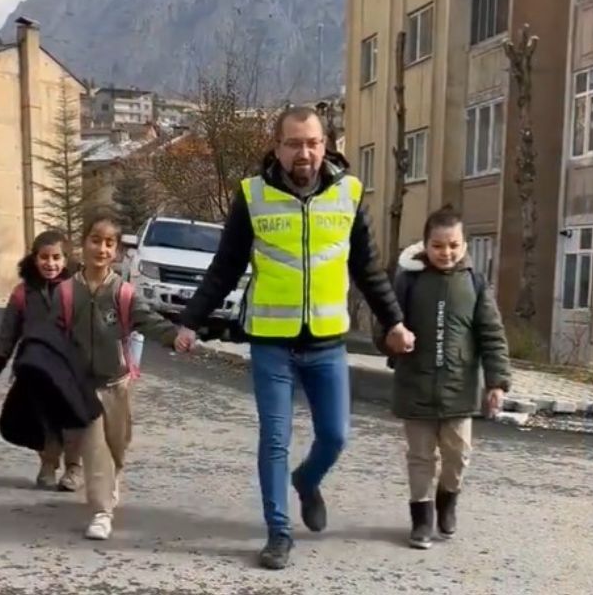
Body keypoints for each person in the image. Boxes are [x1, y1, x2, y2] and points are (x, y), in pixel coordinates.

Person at [174, 107, 415, 569]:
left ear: (325, 144)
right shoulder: (252, 196)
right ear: (277, 146)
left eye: (312, 142)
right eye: (293, 143)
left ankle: (306, 481)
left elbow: (366, 268)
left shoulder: (349, 194)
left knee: (336, 436)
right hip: (272, 343)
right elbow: (224, 268)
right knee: (275, 439)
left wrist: (395, 322)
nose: (303, 152)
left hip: (326, 343)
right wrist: (190, 321)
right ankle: (279, 533)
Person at [385, 207, 510, 550]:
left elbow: (492, 334)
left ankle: (447, 500)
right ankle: (422, 518)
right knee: (421, 456)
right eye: (438, 246)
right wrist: (392, 339)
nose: (446, 252)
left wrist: (497, 383)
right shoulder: (408, 279)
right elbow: (386, 323)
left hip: (460, 387)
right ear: (425, 245)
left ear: (464, 245)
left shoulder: (474, 282)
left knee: (458, 454)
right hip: (416, 384)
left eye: (453, 245)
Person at [70, 210, 176, 541]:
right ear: (82, 244)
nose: (101, 249)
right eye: (95, 241)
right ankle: (102, 512)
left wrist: (176, 336)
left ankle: (108, 490)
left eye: (109, 243)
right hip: (81, 386)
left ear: (116, 251)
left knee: (117, 445)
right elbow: (50, 332)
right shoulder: (66, 292)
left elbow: (148, 321)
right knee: (94, 446)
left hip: (116, 383)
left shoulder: (123, 293)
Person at [0, 230, 84, 492]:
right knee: (44, 418)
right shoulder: (23, 293)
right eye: (44, 257)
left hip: (70, 367)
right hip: (36, 369)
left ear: (66, 259)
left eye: (56, 257)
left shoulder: (78, 289)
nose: (50, 263)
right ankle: (48, 463)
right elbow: (9, 329)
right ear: (34, 258)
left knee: (73, 418)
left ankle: (74, 468)